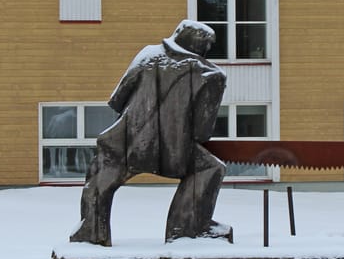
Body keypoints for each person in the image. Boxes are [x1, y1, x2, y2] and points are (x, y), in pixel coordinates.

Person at [70, 20, 232, 246]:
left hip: (123, 143)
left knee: (99, 180)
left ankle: (90, 232)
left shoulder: (148, 55)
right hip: (173, 152)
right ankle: (186, 230)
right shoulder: (213, 75)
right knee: (211, 168)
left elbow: (117, 100)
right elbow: (202, 132)